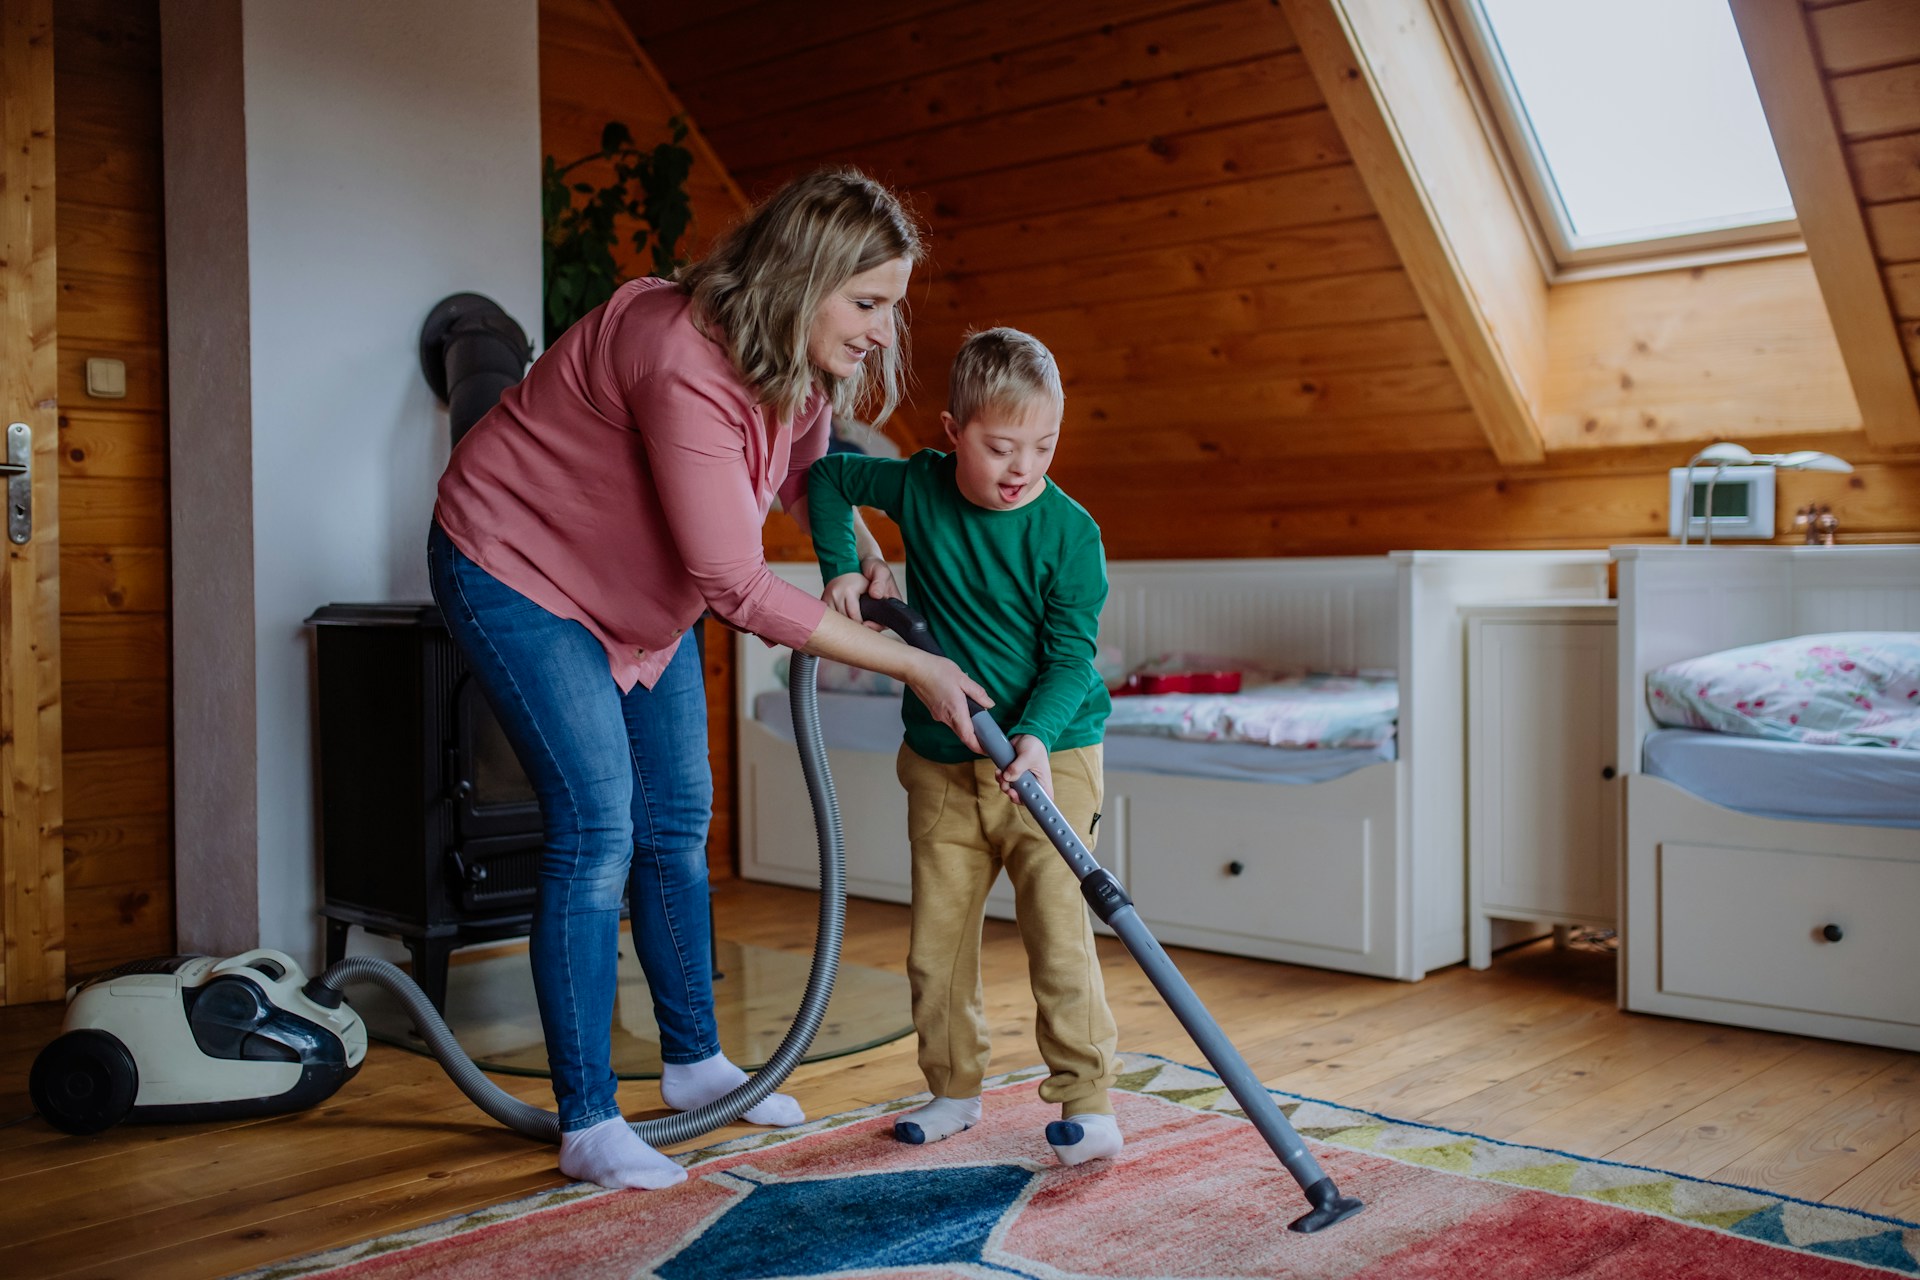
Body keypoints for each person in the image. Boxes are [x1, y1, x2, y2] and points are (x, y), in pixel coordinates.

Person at [428, 168, 990, 1192]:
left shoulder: (802, 364)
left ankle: (692, 1063)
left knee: (677, 814)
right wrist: (913, 660)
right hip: (519, 566)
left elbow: (799, 477)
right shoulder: (679, 355)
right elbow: (733, 582)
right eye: (866, 302)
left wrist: (850, 546)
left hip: (640, 593)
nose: (878, 330)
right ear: (802, 275)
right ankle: (588, 1118)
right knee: (598, 823)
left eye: (890, 307)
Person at [806, 327, 1123, 1166]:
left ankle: (1087, 1104)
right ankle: (952, 1090)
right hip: (944, 762)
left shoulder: (1069, 534)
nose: (1023, 467)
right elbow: (829, 475)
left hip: (1053, 756)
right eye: (1000, 446)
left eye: (1044, 446)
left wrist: (1034, 739)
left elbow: (1070, 659)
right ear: (953, 433)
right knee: (937, 942)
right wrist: (844, 564)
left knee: (1059, 932)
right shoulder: (920, 487)